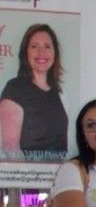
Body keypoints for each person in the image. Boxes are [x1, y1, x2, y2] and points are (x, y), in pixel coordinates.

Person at [0, 23, 69, 161]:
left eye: (47, 46)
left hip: (59, 178)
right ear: (26, 53)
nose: (41, 52)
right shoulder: (14, 89)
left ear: (55, 53)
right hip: (29, 178)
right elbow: (10, 149)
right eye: (34, 46)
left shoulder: (59, 93)